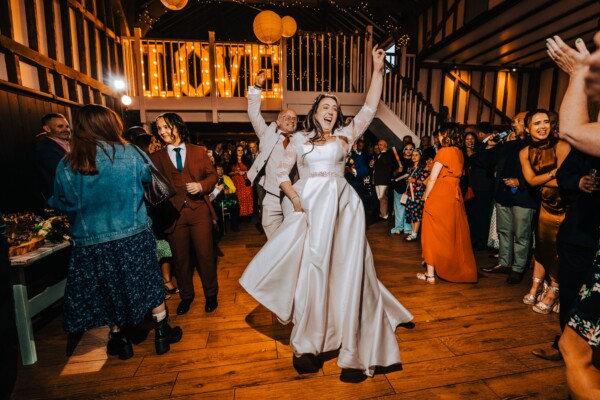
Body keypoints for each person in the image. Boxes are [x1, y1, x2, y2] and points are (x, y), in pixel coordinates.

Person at [240, 46, 413, 377]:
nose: (331, 110)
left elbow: (369, 108)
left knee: (345, 269)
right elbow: (282, 175)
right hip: (310, 210)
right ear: (315, 112)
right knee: (313, 270)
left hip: (343, 209)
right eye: (325, 106)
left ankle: (351, 342)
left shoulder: (346, 136)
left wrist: (378, 70)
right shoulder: (299, 139)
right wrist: (295, 199)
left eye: (335, 107)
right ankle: (308, 343)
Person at [48, 105, 182, 359]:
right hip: (133, 234)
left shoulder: (68, 162)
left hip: (90, 240)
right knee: (149, 281)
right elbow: (150, 182)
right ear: (110, 125)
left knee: (106, 288)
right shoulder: (131, 153)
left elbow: (60, 201)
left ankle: (120, 339)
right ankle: (162, 331)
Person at [546, 33, 600, 399]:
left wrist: (578, 74)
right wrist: (578, 182)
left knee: (575, 348)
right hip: (581, 234)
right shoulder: (585, 146)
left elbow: (570, 129)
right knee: (573, 340)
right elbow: (565, 172)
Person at [150, 112, 219, 315]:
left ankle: (211, 295)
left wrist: (201, 185)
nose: (162, 132)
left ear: (177, 126)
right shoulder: (156, 157)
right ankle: (186, 296)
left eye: (166, 127)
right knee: (180, 259)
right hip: (173, 214)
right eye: (159, 128)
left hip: (199, 211)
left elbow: (213, 176)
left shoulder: (199, 151)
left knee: (205, 255)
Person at [518, 109, 570, 313]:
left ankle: (554, 291)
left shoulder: (562, 146)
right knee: (542, 247)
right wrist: (552, 173)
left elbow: (565, 181)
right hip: (545, 205)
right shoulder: (524, 152)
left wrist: (545, 179)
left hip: (565, 206)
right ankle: (536, 286)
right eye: (537, 123)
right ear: (527, 128)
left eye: (546, 122)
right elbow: (530, 181)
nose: (543, 126)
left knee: (559, 250)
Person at [478, 113, 538, 284]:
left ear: (528, 124)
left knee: (521, 235)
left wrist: (520, 181)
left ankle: (518, 269)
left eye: (519, 121)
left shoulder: (535, 145)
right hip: (503, 194)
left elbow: (540, 170)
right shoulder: (509, 143)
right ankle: (504, 263)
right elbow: (483, 161)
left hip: (524, 196)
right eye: (513, 121)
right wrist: (489, 146)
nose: (514, 124)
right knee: (504, 231)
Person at [419, 123, 477, 284]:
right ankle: (447, 266)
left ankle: (430, 274)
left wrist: (425, 196)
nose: (438, 137)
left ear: (446, 135)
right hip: (453, 195)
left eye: (440, 134)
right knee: (448, 234)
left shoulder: (444, 151)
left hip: (440, 194)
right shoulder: (459, 152)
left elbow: (432, 178)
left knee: (431, 233)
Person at [246, 72, 300, 238]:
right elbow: (254, 114)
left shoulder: (301, 140)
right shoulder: (267, 134)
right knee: (272, 235)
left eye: (294, 118)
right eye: (287, 117)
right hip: (272, 194)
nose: (291, 120)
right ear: (278, 121)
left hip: (293, 195)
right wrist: (257, 87)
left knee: (293, 236)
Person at [34, 113, 71, 210]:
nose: (66, 130)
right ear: (47, 129)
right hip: (59, 200)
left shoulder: (69, 145)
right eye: (60, 126)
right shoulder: (45, 149)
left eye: (67, 126)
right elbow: (62, 174)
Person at [404, 149, 430, 241]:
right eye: (413, 155)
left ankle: (415, 234)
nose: (414, 157)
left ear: (420, 157)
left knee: (417, 213)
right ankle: (413, 231)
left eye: (416, 155)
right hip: (410, 194)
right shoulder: (411, 168)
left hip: (418, 194)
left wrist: (414, 180)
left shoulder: (424, 168)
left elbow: (425, 181)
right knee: (411, 213)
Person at [209, 163, 240, 233]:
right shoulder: (212, 179)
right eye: (218, 169)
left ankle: (234, 226)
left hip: (227, 197)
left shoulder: (226, 177)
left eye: (221, 169)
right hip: (217, 198)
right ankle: (221, 228)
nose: (220, 171)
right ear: (215, 170)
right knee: (217, 207)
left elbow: (234, 188)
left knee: (235, 204)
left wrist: (228, 191)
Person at [390, 143, 413, 235]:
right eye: (406, 148)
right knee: (399, 208)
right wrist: (397, 170)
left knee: (409, 209)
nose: (408, 150)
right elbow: (392, 175)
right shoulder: (397, 161)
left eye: (411, 149)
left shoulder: (414, 160)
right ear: (403, 150)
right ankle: (399, 227)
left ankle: (408, 228)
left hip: (411, 188)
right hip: (399, 187)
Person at [373, 139, 397, 219]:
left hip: (384, 180)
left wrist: (383, 153)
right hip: (377, 180)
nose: (379, 146)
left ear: (386, 145)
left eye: (381, 144)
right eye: (378, 144)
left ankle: (384, 214)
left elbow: (387, 164)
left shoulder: (388, 154)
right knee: (380, 197)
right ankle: (382, 213)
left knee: (383, 197)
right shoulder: (379, 155)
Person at [228, 145, 254, 220]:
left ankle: (248, 216)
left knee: (248, 198)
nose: (240, 152)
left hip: (246, 182)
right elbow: (228, 173)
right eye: (238, 150)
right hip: (236, 184)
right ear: (236, 151)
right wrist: (235, 172)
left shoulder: (247, 160)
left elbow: (252, 171)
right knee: (239, 199)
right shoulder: (232, 161)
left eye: (241, 150)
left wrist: (244, 172)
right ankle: (239, 216)